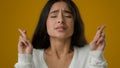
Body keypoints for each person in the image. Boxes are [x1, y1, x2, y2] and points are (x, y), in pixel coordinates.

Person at [15, 0, 107, 68]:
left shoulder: (88, 54)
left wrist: (96, 55)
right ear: (45, 23)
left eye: (67, 16)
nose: (60, 20)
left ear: (75, 24)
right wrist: (25, 58)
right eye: (53, 16)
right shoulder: (32, 56)